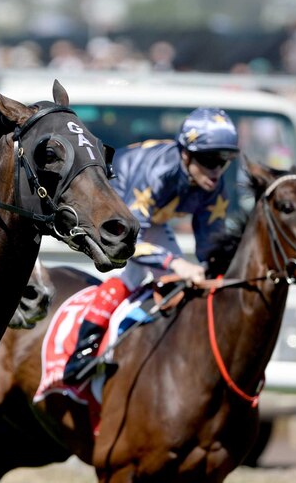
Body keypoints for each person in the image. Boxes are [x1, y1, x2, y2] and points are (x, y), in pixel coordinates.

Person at [63, 107, 240, 384]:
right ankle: (81, 353)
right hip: (107, 206)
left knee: (184, 284)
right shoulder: (159, 173)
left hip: (145, 218)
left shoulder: (213, 185)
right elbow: (134, 239)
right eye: (209, 159)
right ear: (185, 153)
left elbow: (211, 248)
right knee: (132, 275)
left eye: (224, 159)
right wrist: (176, 263)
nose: (216, 170)